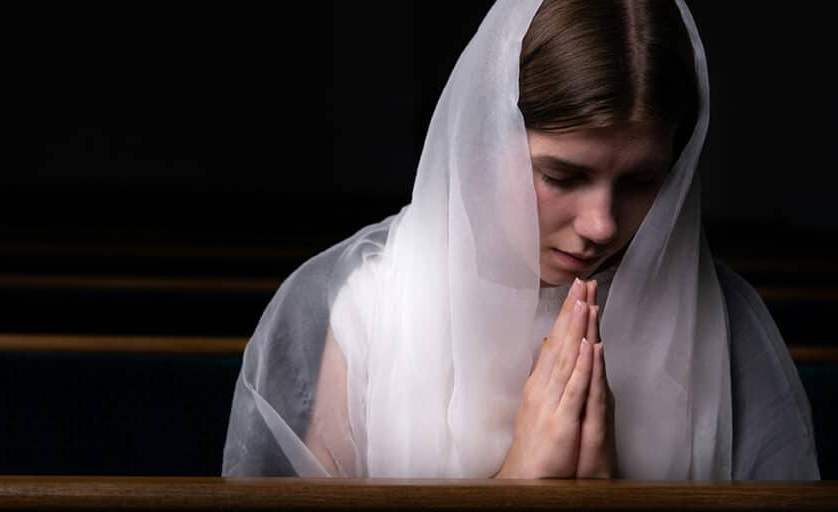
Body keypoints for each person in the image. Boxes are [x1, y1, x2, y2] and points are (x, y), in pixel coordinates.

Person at [222, 0, 819, 479]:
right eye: (562, 176)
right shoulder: (368, 309)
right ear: (484, 138)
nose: (602, 224)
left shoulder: (723, 320)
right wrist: (516, 486)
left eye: (641, 181)